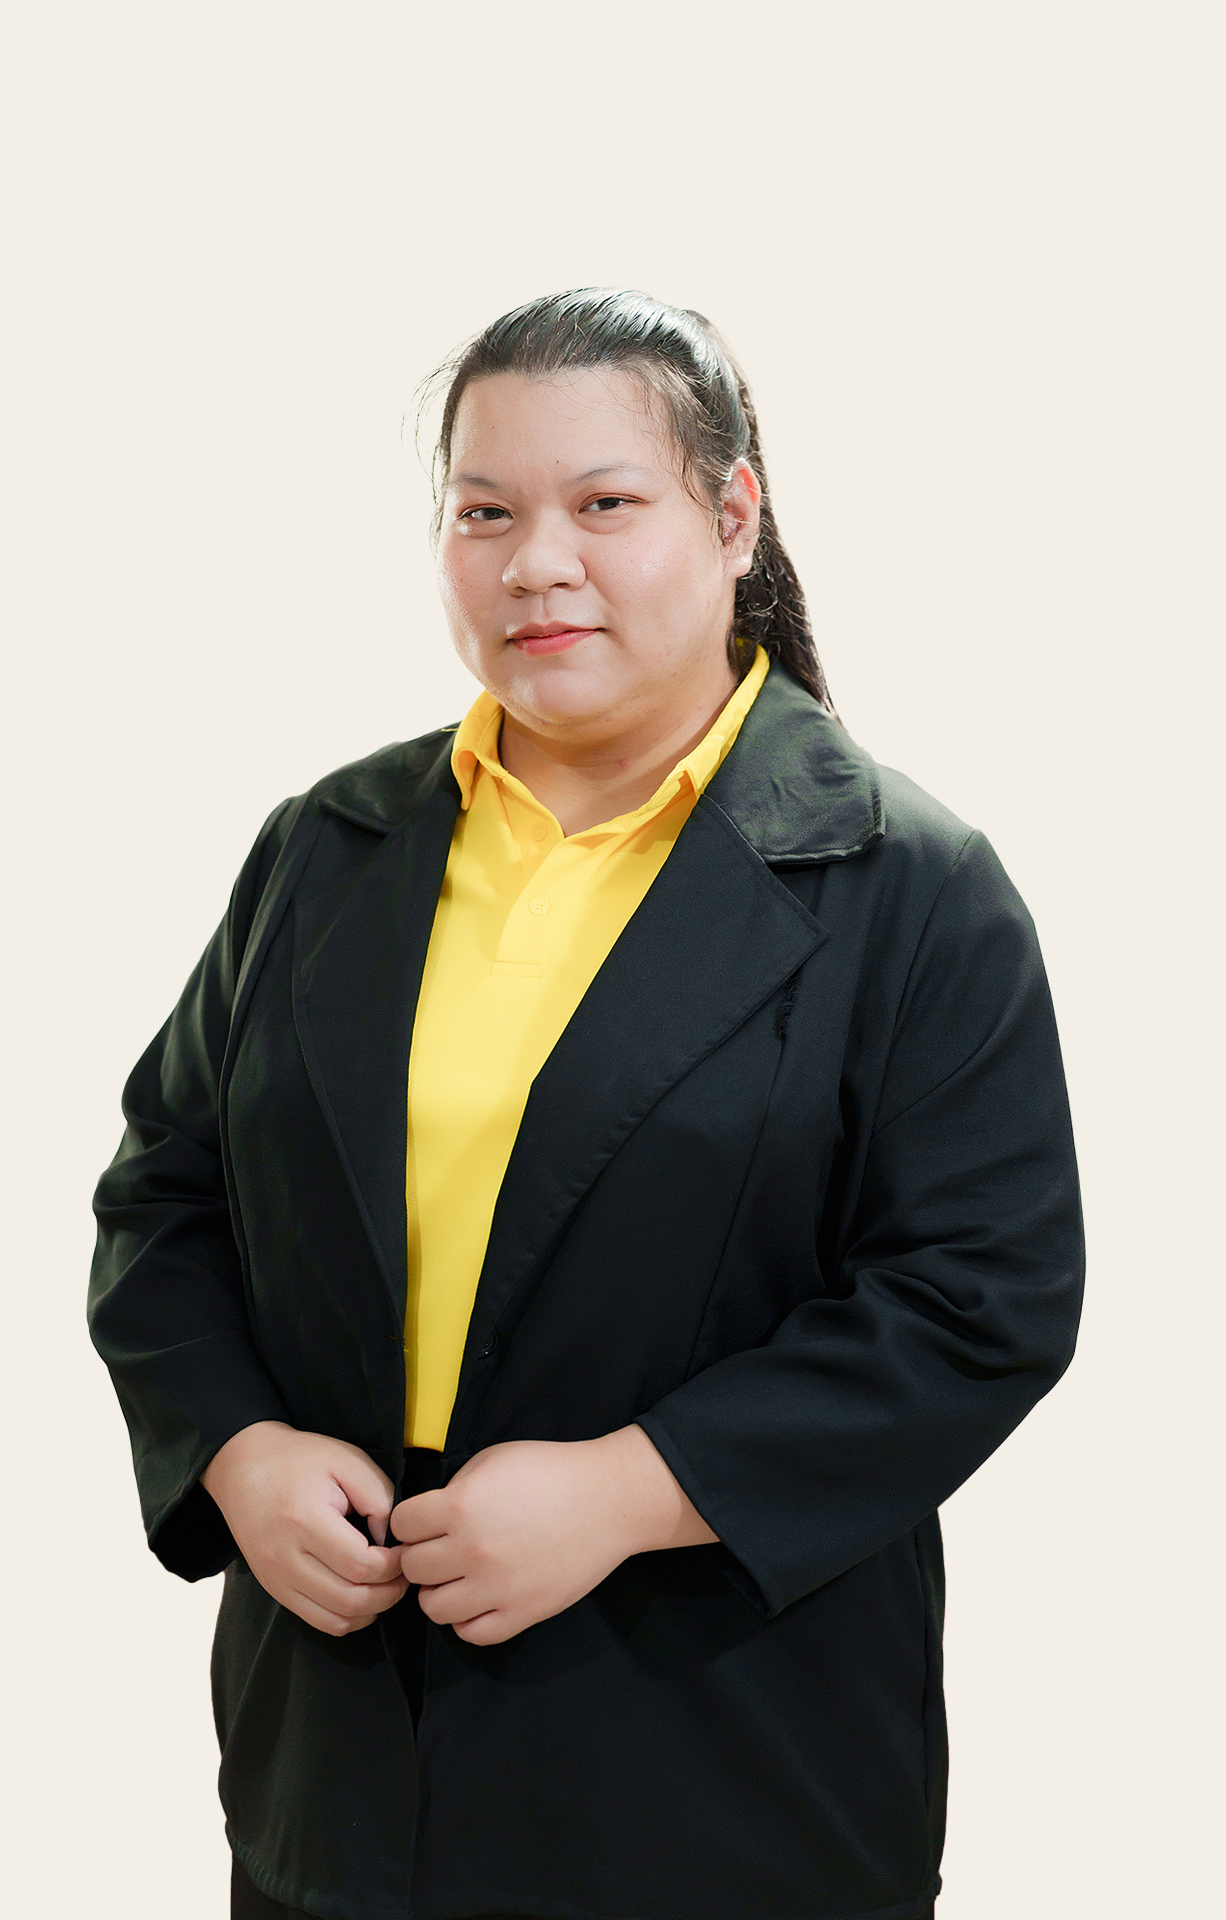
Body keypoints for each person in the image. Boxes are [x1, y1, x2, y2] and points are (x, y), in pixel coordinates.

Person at [88, 287, 1085, 1920]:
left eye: (605, 503)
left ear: (733, 515)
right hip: (341, 1767)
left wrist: (631, 1490)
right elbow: (167, 1195)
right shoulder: (328, 849)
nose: (535, 563)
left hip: (719, 1768)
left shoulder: (910, 885)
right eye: (485, 512)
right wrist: (239, 1452)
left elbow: (981, 1299)